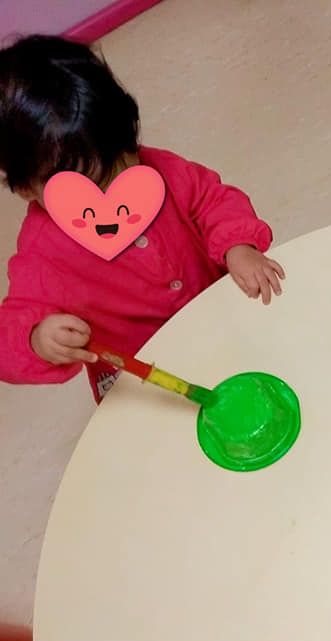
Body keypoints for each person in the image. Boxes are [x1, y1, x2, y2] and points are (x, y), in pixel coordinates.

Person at [0, 35, 285, 402]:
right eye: (87, 193)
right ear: (27, 189)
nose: (114, 198)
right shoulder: (44, 254)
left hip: (221, 318)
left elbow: (212, 199)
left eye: (122, 166)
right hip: (148, 379)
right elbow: (8, 334)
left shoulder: (158, 168)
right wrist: (37, 338)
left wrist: (238, 246)